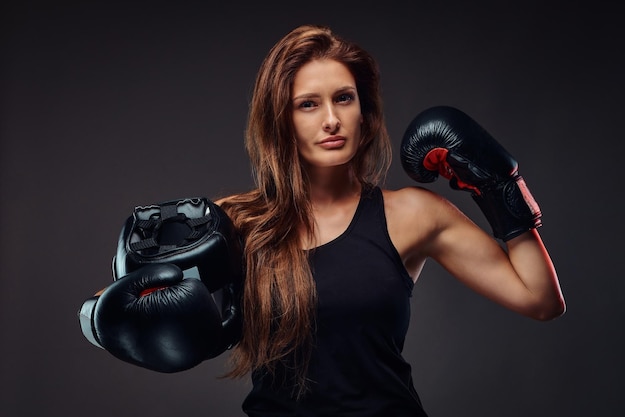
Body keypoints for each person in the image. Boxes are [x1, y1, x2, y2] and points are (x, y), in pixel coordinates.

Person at [79, 24, 565, 417]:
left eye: (344, 98)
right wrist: (113, 320)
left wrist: (501, 190)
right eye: (308, 104)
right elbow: (104, 308)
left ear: (365, 113)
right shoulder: (234, 223)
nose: (331, 119)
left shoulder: (412, 214)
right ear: (281, 120)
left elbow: (541, 299)